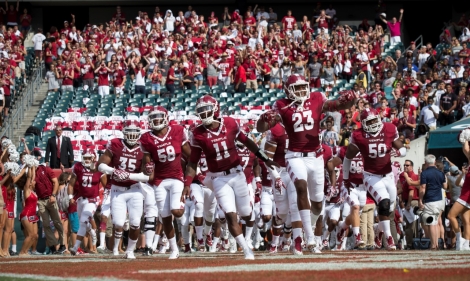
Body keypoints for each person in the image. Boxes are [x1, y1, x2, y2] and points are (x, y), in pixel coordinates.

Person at [257, 74, 356, 254]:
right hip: (294, 156)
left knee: (318, 204)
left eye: (304, 87)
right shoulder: (281, 105)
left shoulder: (316, 97)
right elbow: (261, 128)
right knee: (300, 188)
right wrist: (263, 120)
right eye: (298, 88)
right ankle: (309, 238)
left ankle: (307, 229)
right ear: (288, 90)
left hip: (316, 157)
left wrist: (350, 101)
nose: (302, 91)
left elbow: (338, 105)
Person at [184, 95, 279, 260]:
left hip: (237, 174)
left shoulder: (229, 123)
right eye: (200, 111)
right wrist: (187, 183)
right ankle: (245, 249)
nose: (204, 114)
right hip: (218, 178)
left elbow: (248, 142)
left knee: (246, 213)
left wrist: (264, 158)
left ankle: (247, 237)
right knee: (229, 214)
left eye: (207, 110)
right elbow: (192, 162)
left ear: (215, 109)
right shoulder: (197, 133)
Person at [343, 108, 407, 251]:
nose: (372, 124)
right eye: (369, 122)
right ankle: (389, 239)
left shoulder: (389, 128)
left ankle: (379, 231)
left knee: (389, 208)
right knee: (383, 204)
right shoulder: (358, 135)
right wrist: (346, 179)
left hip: (388, 176)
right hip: (371, 176)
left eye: (374, 120)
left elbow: (402, 148)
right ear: (363, 124)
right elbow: (348, 158)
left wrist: (400, 152)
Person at [139, 106, 191, 259]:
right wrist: (147, 168)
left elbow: (190, 156)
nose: (156, 120)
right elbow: (146, 164)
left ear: (166, 118)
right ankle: (174, 249)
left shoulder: (177, 131)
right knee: (165, 217)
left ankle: (182, 209)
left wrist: (192, 174)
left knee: (176, 211)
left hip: (176, 177)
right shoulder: (146, 138)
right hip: (159, 181)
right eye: (153, 117)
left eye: (158, 117)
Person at [97, 120, 153, 259]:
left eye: (135, 133)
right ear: (124, 132)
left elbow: (148, 176)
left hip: (135, 189)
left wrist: (129, 175)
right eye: (130, 133)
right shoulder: (115, 144)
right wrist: (113, 171)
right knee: (118, 223)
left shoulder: (143, 148)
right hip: (117, 189)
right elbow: (100, 165)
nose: (133, 136)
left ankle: (130, 250)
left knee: (135, 222)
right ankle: (116, 248)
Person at [68, 149, 106, 256]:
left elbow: (106, 185)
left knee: (83, 221)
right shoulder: (78, 167)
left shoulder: (99, 168)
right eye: (85, 158)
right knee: (83, 222)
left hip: (93, 199)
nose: (87, 160)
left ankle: (75, 247)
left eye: (89, 158)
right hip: (81, 199)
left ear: (94, 158)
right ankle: (93, 231)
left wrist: (106, 198)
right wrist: (71, 197)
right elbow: (71, 184)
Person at [34, 160, 65, 255]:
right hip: (40, 200)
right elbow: (31, 184)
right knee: (46, 224)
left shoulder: (46, 169)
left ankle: (63, 244)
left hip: (49, 198)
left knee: (57, 222)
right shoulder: (31, 173)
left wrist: (53, 195)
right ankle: (53, 245)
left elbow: (55, 182)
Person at [448, 128, 470, 250]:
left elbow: (467, 150)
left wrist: (466, 138)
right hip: (467, 190)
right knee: (466, 220)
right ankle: (466, 244)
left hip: (467, 192)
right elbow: (466, 152)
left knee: (451, 215)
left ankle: (459, 240)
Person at [419, 154, 446, 250]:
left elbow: (422, 188)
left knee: (431, 223)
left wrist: (420, 200)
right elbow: (445, 186)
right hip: (439, 200)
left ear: (425, 162)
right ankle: (436, 244)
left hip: (430, 200)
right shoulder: (440, 173)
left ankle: (433, 245)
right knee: (436, 222)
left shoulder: (424, 173)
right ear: (434, 162)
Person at [399, 160, 420, 249]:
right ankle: (410, 243)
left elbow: (411, 191)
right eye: (404, 165)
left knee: (411, 225)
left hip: (412, 201)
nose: (405, 166)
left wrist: (408, 204)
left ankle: (412, 243)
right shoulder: (404, 176)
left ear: (411, 166)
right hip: (407, 201)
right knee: (407, 224)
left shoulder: (412, 176)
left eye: (407, 165)